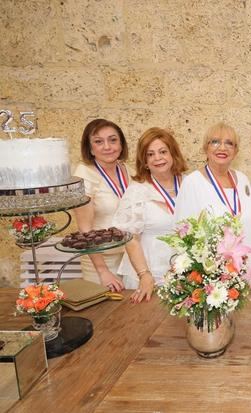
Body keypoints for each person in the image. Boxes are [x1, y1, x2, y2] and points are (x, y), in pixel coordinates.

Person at [174, 122, 251, 282]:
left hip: (245, 269)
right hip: (211, 276)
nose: (222, 148)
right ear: (206, 147)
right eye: (215, 142)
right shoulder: (193, 182)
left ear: (236, 151)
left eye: (229, 143)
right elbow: (182, 232)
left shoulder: (243, 180)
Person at [112, 128, 188, 303]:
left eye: (163, 152)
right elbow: (130, 238)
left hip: (184, 274)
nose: (158, 158)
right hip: (148, 275)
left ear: (173, 154)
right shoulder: (137, 190)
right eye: (150, 154)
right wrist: (144, 275)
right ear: (144, 161)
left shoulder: (189, 183)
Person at [74, 118, 133, 291]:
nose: (107, 147)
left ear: (121, 144)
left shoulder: (127, 170)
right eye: (98, 142)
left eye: (113, 140)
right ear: (90, 148)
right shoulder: (83, 176)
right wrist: (102, 271)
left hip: (131, 257)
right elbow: (85, 229)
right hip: (102, 260)